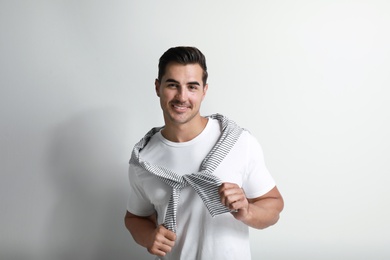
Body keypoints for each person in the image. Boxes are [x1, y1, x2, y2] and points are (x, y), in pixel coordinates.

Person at [124, 46, 284, 260]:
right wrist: (148, 237)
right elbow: (135, 218)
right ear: (157, 87)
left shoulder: (237, 142)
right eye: (173, 85)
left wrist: (248, 211)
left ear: (204, 91)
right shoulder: (143, 160)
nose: (182, 97)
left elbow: (274, 205)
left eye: (192, 87)